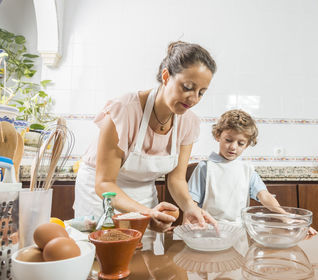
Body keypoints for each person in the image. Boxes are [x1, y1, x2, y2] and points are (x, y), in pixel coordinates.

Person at [73, 41, 217, 233]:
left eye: (201, 93)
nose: (194, 99)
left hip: (143, 196)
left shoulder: (189, 123)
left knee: (143, 252)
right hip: (100, 194)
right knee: (103, 250)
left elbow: (176, 180)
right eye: (188, 87)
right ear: (166, 76)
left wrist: (190, 207)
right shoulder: (124, 110)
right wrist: (147, 213)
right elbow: (104, 183)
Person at [188, 110, 317, 235]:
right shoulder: (205, 168)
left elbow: (264, 196)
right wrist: (187, 229)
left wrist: (287, 218)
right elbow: (190, 203)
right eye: (228, 140)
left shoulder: (247, 170)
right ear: (218, 136)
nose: (233, 147)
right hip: (208, 232)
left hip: (237, 234)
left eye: (241, 143)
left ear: (247, 144)